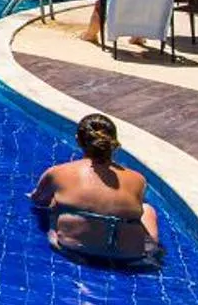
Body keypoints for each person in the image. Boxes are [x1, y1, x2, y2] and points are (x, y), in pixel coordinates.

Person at [30, 113, 161, 267]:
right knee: (147, 209)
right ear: (113, 142)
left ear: (78, 140)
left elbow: (38, 201)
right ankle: (153, 253)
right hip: (130, 255)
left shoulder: (58, 172)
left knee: (55, 204)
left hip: (75, 248)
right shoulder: (138, 179)